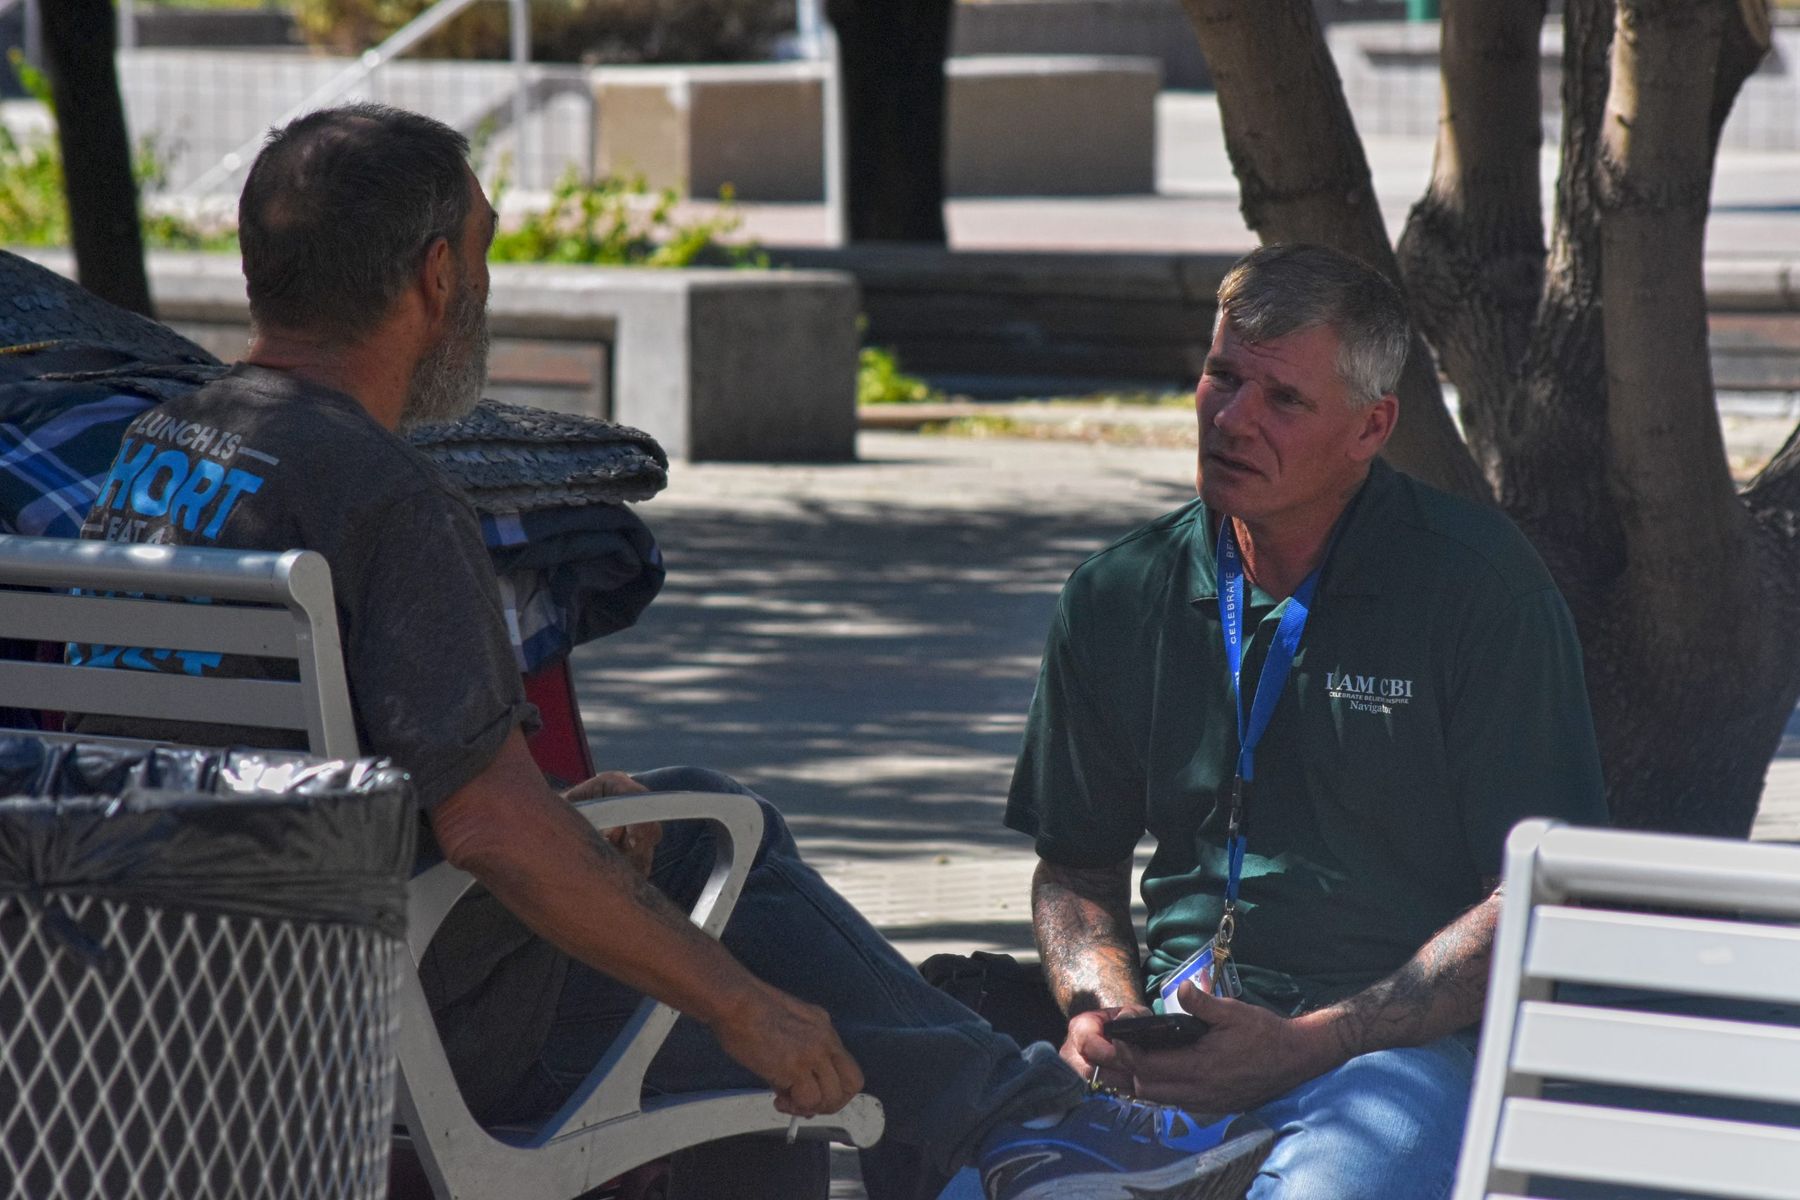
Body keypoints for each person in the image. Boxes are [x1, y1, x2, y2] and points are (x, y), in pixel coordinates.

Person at [73, 103, 1274, 1200]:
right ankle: (1034, 1136)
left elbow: (270, 749)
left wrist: (554, 814)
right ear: (437, 276)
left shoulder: (157, 450)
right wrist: (749, 1010)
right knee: (718, 850)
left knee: (677, 834)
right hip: (378, 1006)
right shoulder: (388, 499)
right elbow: (494, 833)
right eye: (482, 255)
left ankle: (1012, 1136)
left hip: (156, 978)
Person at [1004, 243, 1609, 1198]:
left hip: (1393, 1052)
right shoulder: (1120, 592)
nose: (1233, 418)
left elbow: (1536, 901)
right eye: (1222, 376)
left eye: (1283, 400)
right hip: (1174, 1037)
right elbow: (1075, 869)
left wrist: (1313, 1043)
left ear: (1373, 428)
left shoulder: (1477, 589)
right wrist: (1103, 1017)